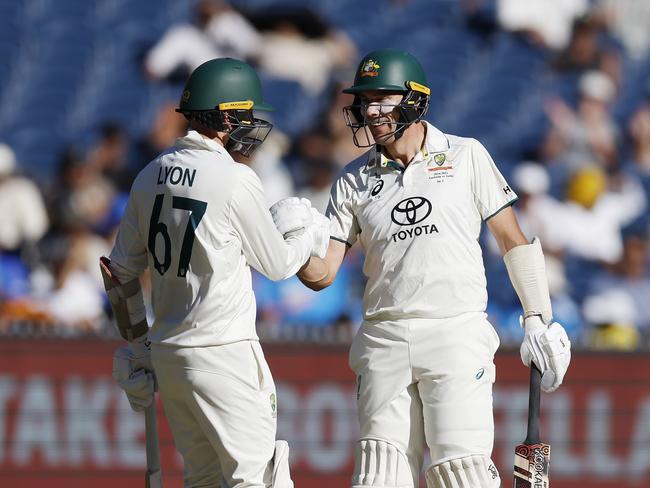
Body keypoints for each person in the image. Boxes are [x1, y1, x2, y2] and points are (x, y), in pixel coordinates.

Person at [270, 49, 572, 488]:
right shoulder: (353, 180)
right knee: (379, 478)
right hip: (383, 339)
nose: (371, 111)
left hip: (455, 333)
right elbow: (323, 274)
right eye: (365, 101)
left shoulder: (466, 156)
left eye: (382, 99)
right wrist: (293, 247)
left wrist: (538, 318)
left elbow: (512, 239)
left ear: (414, 99)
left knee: (462, 474)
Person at [101, 58, 329, 488]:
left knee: (202, 480)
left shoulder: (150, 174)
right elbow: (279, 264)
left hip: (171, 356)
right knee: (257, 480)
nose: (253, 124)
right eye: (246, 114)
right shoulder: (233, 177)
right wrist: (306, 230)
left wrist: (137, 345)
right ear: (226, 116)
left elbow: (119, 272)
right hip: (224, 352)